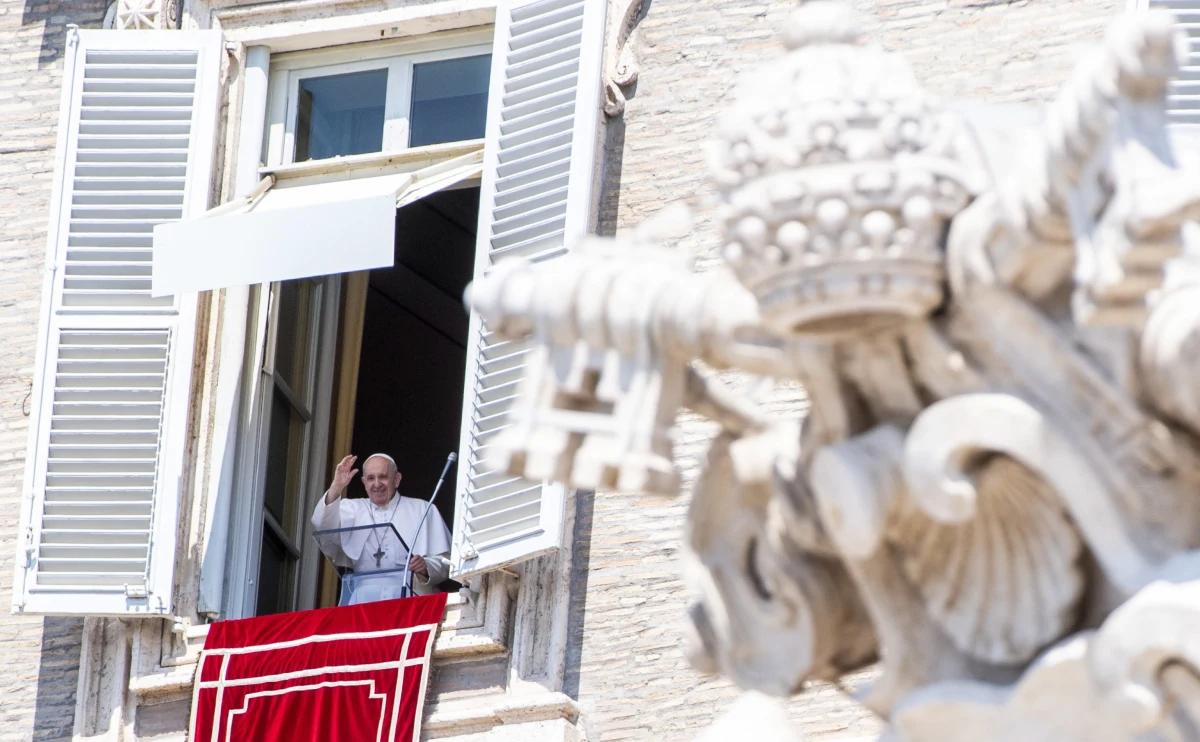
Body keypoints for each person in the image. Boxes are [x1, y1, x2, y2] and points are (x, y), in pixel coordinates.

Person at [311, 453, 452, 601]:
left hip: (411, 597)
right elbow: (322, 524)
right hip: (364, 600)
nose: (377, 484)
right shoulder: (351, 508)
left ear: (396, 479)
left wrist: (426, 566)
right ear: (364, 482)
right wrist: (337, 486)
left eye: (383, 476)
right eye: (371, 478)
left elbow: (447, 562)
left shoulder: (423, 509)